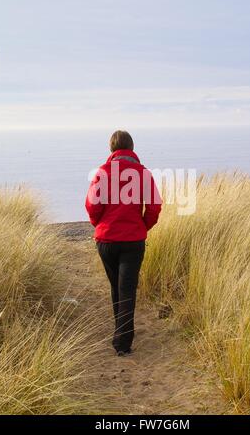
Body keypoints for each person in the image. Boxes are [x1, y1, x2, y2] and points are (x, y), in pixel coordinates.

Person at [85, 130, 162, 356]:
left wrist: (100, 225)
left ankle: (122, 332)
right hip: (132, 240)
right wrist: (142, 227)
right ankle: (122, 341)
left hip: (106, 240)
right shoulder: (143, 174)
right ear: (131, 148)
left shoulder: (102, 172)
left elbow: (92, 206)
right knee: (126, 289)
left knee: (116, 287)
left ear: (112, 149)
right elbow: (155, 207)